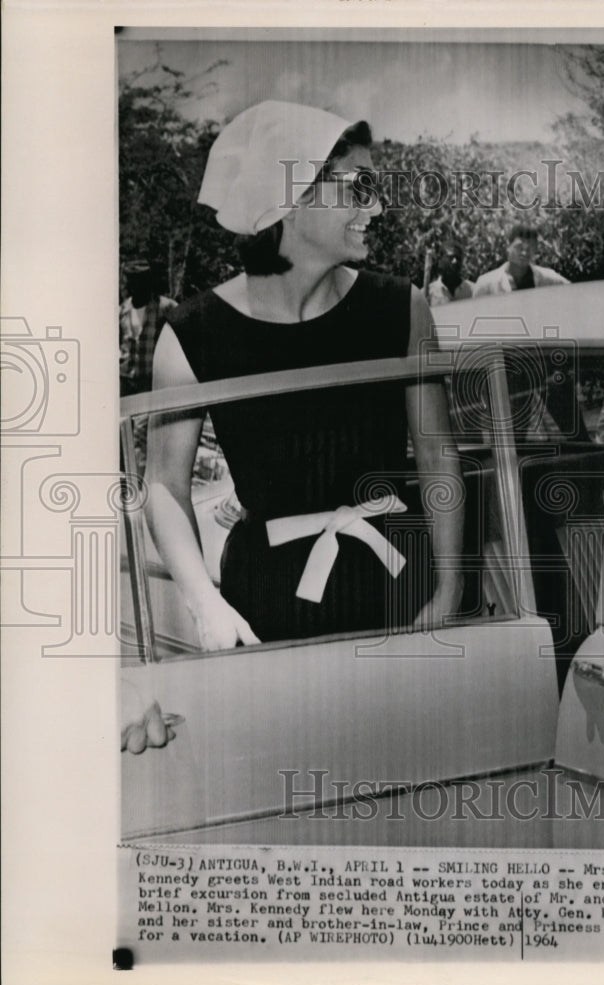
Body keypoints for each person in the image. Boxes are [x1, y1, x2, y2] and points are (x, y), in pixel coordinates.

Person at [143, 100, 465, 655]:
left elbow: (439, 457)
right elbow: (164, 486)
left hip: (396, 594)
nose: (378, 206)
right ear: (291, 199)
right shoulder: (192, 333)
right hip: (262, 606)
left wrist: (449, 587)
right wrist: (205, 603)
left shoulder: (402, 308)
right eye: (359, 187)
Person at [119, 262, 176, 397]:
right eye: (132, 282)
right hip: (125, 379)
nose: (135, 287)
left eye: (140, 282)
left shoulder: (165, 307)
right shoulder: (123, 309)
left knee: (147, 417)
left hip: (150, 379)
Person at [473, 224, 569, 297]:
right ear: (508, 246)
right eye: (519, 247)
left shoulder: (550, 279)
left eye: (530, 248)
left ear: (536, 249)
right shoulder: (487, 284)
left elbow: (574, 294)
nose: (524, 253)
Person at [427, 242, 474, 306]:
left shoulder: (472, 290)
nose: (455, 261)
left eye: (458, 258)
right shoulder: (429, 293)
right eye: (451, 258)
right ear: (440, 261)